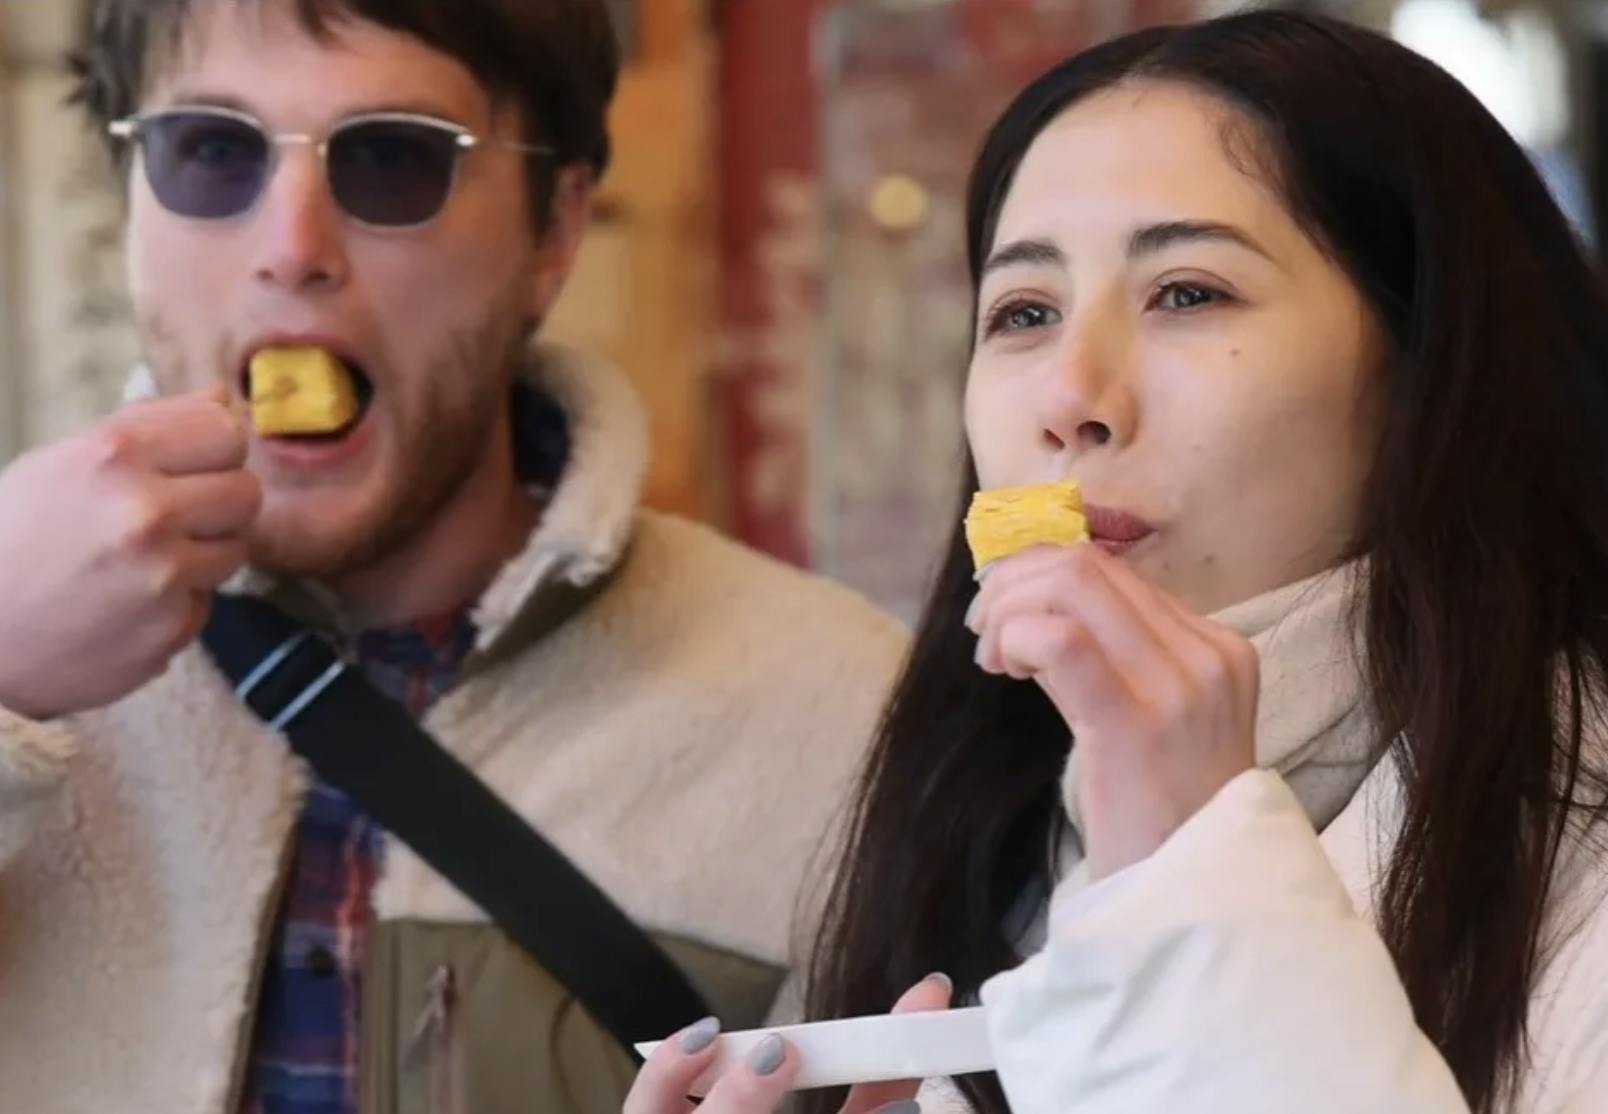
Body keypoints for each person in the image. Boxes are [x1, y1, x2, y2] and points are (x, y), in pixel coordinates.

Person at [623, 11, 1608, 1114]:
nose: (1070, 398)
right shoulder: (957, 849)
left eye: (1187, 292)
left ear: (1431, 366)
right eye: (1024, 312)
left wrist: (1194, 872)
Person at [0, 1, 908, 1111]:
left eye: (392, 159)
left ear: (555, 229)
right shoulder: (14, 651)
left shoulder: (844, 724)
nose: (292, 249)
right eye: (212, 151)